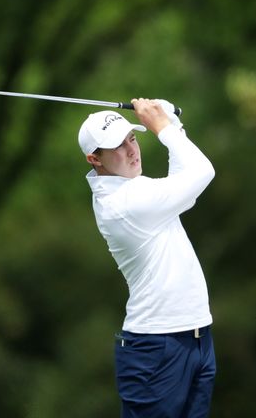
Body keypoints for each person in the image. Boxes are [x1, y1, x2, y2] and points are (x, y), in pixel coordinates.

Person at [78, 98, 216, 418]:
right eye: (117, 146)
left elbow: (187, 186)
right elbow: (201, 172)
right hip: (156, 350)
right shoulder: (123, 202)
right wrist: (165, 128)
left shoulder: (135, 188)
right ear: (94, 159)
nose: (131, 150)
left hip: (195, 338)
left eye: (132, 137)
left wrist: (174, 126)